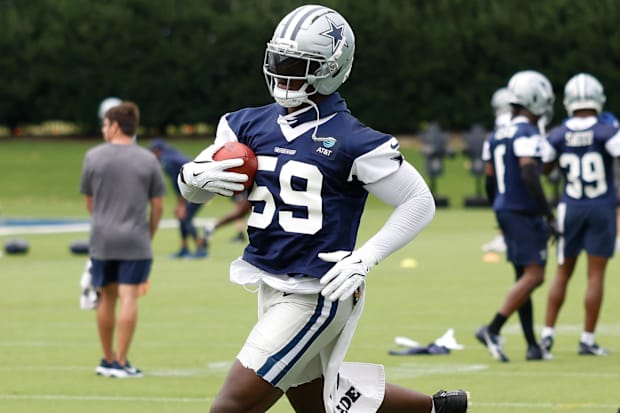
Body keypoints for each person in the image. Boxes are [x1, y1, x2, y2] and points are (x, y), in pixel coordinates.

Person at [177, 5, 469, 413]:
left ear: (330, 69)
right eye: (278, 59)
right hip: (270, 280)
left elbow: (418, 202)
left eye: (297, 64)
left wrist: (365, 258)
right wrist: (190, 179)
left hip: (317, 290)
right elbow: (197, 193)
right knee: (316, 400)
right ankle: (439, 410)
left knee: (230, 407)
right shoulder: (243, 124)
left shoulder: (354, 140)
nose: (283, 72)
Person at [476, 70, 558, 362]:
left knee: (522, 276)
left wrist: (498, 206)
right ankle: (493, 328)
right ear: (534, 100)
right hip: (523, 210)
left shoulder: (496, 133)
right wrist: (548, 214)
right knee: (535, 276)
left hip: (505, 208)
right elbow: (528, 172)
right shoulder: (527, 132)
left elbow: (488, 179)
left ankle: (532, 345)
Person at [80, 101, 166, 378]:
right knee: (129, 297)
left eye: (105, 124)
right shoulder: (148, 159)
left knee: (107, 298)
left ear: (115, 125)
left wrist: (103, 221)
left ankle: (106, 359)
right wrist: (148, 234)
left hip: (102, 239)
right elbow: (158, 205)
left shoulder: (93, 156)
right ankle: (122, 361)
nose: (103, 129)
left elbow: (89, 201)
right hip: (135, 239)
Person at [539, 73, 620, 358]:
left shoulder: (558, 134)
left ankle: (547, 336)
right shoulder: (608, 131)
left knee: (563, 272)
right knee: (595, 275)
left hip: (570, 206)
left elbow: (544, 168)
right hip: (602, 206)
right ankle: (587, 339)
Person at [149, 138, 208, 258]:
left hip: (199, 188)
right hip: (198, 187)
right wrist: (180, 205)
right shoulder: (171, 155)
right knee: (183, 217)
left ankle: (201, 249)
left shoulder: (167, 161)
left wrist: (181, 205)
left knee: (185, 216)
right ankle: (184, 248)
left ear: (157, 151)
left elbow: (178, 183)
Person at [481, 87, 512, 253]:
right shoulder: (525, 127)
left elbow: (489, 169)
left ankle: (503, 237)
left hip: (501, 181)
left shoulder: (494, 134)